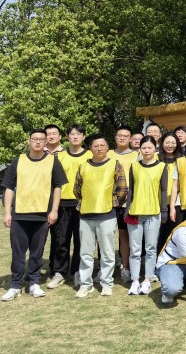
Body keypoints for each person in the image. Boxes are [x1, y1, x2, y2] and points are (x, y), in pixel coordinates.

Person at [0, 129, 67, 302]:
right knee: (18, 252)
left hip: (42, 214)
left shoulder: (52, 161)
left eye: (41, 139)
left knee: (37, 252)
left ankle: (34, 283)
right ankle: (15, 285)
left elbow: (58, 186)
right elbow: (9, 187)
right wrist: (7, 212)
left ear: (46, 142)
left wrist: (54, 210)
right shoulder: (19, 160)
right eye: (35, 139)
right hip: (19, 215)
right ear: (29, 141)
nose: (38, 142)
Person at [74, 133, 128, 298]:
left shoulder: (115, 164)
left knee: (107, 252)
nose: (99, 148)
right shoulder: (83, 166)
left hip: (107, 215)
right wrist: (87, 202)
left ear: (107, 147)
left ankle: (107, 283)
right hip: (86, 215)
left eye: (102, 145)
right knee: (85, 253)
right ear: (90, 148)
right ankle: (86, 284)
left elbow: (122, 189)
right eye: (95, 146)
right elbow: (77, 189)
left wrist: (112, 203)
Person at [46, 124, 92, 290]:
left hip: (83, 204)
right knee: (61, 239)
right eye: (72, 134)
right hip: (62, 203)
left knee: (81, 241)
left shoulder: (90, 155)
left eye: (79, 134)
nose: (75, 137)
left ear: (84, 137)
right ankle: (59, 272)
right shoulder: (59, 156)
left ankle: (78, 271)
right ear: (67, 137)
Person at [125, 136, 168, 296]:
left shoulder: (162, 166)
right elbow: (131, 189)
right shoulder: (134, 166)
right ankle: (135, 280)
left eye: (150, 147)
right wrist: (127, 209)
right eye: (144, 148)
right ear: (140, 149)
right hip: (135, 213)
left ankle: (148, 279)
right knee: (135, 249)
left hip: (153, 213)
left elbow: (164, 190)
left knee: (151, 248)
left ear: (155, 149)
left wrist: (164, 211)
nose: (146, 150)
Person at [112, 125, 139, 283]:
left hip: (127, 203)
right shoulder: (108, 153)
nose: (122, 138)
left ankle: (125, 267)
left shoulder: (137, 155)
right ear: (115, 137)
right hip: (108, 202)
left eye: (125, 136)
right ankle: (104, 268)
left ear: (130, 139)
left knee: (125, 235)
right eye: (119, 135)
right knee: (106, 236)